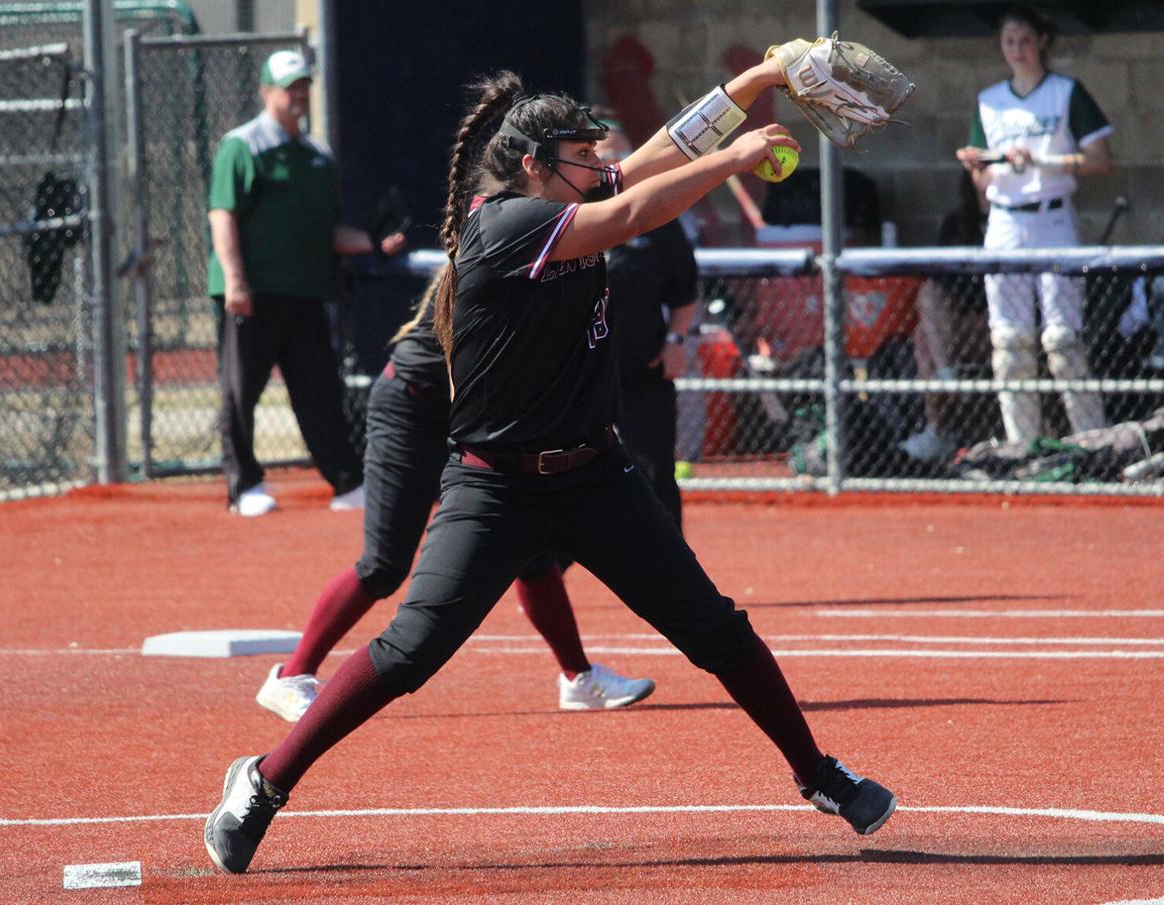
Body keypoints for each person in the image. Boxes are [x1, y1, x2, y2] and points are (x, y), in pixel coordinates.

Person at [206, 59, 897, 876]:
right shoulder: (504, 224)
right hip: (495, 485)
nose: (597, 166)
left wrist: (761, 76)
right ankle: (265, 780)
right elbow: (640, 203)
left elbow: (664, 148)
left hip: (596, 477)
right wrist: (737, 160)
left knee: (715, 628)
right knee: (409, 651)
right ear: (533, 164)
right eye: (579, 155)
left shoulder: (568, 194)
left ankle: (818, 774)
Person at [255, 267, 655, 722]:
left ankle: (579, 678)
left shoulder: (552, 259)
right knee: (384, 565)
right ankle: (291, 675)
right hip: (414, 407)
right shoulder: (512, 253)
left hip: (472, 415)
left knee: (533, 546)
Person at [208, 49, 406, 517]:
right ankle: (244, 486)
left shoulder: (318, 155)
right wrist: (235, 281)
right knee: (241, 393)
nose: (298, 94)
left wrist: (374, 244)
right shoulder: (242, 145)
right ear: (266, 92)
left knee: (319, 391)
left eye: (303, 86)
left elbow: (328, 232)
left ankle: (345, 482)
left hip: (307, 293)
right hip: (251, 295)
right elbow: (223, 217)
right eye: (289, 86)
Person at [956, 7, 1111, 445]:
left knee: (1062, 340)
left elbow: (1100, 158)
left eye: (1025, 40)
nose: (1018, 50)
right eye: (1009, 42)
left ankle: (1091, 442)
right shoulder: (990, 100)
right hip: (1006, 220)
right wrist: (977, 165)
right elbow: (983, 182)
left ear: (1042, 41)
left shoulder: (1065, 92)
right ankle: (1022, 445)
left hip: (1052, 215)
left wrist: (1041, 159)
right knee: (1010, 342)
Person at [593, 116, 699, 528]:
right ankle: (540, 578)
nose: (615, 166)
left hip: (641, 369)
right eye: (603, 157)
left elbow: (684, 292)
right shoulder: (563, 216)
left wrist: (676, 340)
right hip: (578, 376)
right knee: (558, 482)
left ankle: (672, 582)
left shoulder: (653, 217)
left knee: (655, 475)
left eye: (623, 155)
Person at [899, 171, 991, 463]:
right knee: (927, 298)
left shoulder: (1015, 223)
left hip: (995, 322)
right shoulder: (957, 222)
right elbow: (942, 281)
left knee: (924, 338)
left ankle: (938, 429)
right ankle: (947, 374)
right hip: (959, 327)